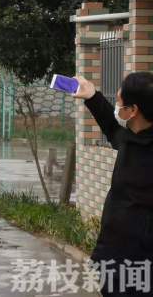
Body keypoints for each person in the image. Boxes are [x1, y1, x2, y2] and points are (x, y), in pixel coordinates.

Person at [74, 72, 153, 296]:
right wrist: (92, 96)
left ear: (133, 110)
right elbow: (113, 128)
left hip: (139, 259)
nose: (117, 105)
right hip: (115, 255)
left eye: (119, 102)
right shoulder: (134, 137)